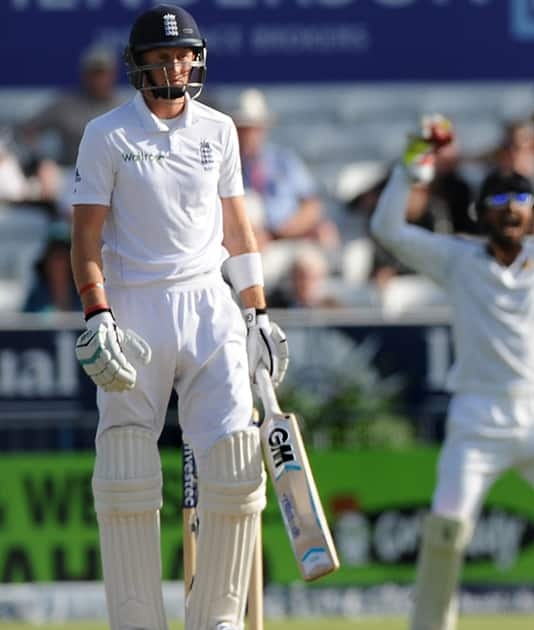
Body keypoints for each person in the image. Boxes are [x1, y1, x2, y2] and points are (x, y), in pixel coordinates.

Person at [371, 90, 534, 630]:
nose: (510, 209)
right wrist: (413, 163)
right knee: (446, 532)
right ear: (480, 213)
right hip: (478, 419)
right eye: (498, 202)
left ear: (533, 211)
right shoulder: (458, 260)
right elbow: (387, 229)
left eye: (520, 201)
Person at [69, 6, 288, 629]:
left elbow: (238, 229)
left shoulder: (218, 130)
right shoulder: (107, 134)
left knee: (237, 459)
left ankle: (216, 618)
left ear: (196, 59)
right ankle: (137, 621)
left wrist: (258, 314)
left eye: (183, 55)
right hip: (135, 305)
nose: (174, 66)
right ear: (139, 64)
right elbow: (84, 238)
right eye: (162, 57)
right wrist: (98, 314)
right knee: (126, 467)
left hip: (209, 304)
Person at [232, 88, 338, 248]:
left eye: (253, 128)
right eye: (244, 129)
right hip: (252, 243)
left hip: (289, 239)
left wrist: (284, 231)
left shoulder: (284, 161)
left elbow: (312, 205)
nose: (249, 135)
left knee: (312, 258)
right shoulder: (226, 167)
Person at [19, 44, 125, 167]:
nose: (98, 80)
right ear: (84, 75)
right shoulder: (65, 105)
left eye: (102, 73)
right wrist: (41, 162)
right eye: (93, 73)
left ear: (113, 75)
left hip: (117, 175)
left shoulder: (125, 107)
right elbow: (27, 129)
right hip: (73, 174)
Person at [23, 222, 81, 314]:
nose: (58, 264)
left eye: (63, 256)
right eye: (54, 256)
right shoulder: (35, 298)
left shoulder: (84, 296)